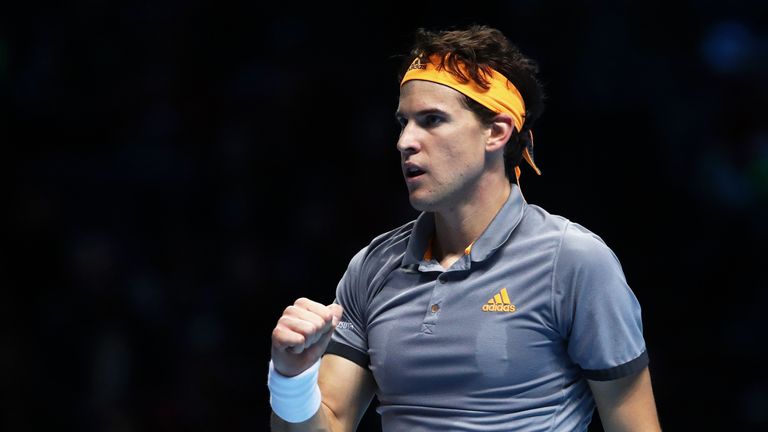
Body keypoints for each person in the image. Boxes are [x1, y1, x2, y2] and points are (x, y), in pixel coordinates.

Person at [268, 25, 661, 431]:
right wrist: (291, 379)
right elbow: (327, 422)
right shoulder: (371, 268)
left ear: (496, 131)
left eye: (432, 120)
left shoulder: (575, 262)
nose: (405, 141)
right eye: (404, 122)